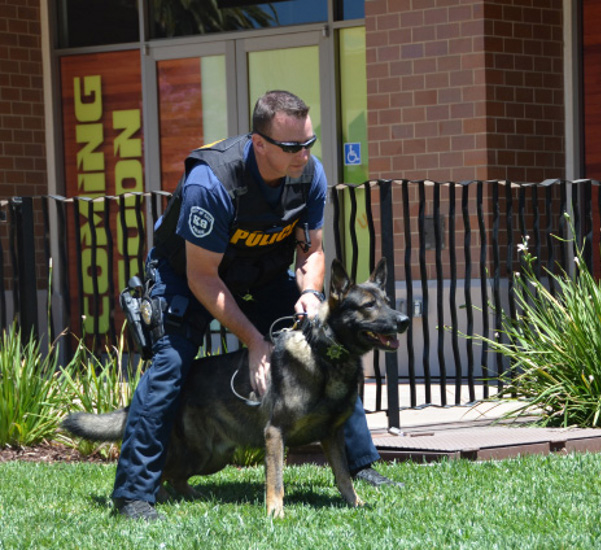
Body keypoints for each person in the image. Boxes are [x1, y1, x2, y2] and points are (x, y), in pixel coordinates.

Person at [111, 90, 400, 522]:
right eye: (292, 147)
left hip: (259, 273)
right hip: (188, 275)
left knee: (329, 344)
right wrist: (254, 340)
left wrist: (309, 291)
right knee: (170, 368)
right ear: (259, 144)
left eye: (309, 142)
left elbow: (312, 252)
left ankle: (362, 466)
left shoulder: (310, 174)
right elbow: (202, 277)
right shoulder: (212, 182)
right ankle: (134, 494)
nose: (304, 154)